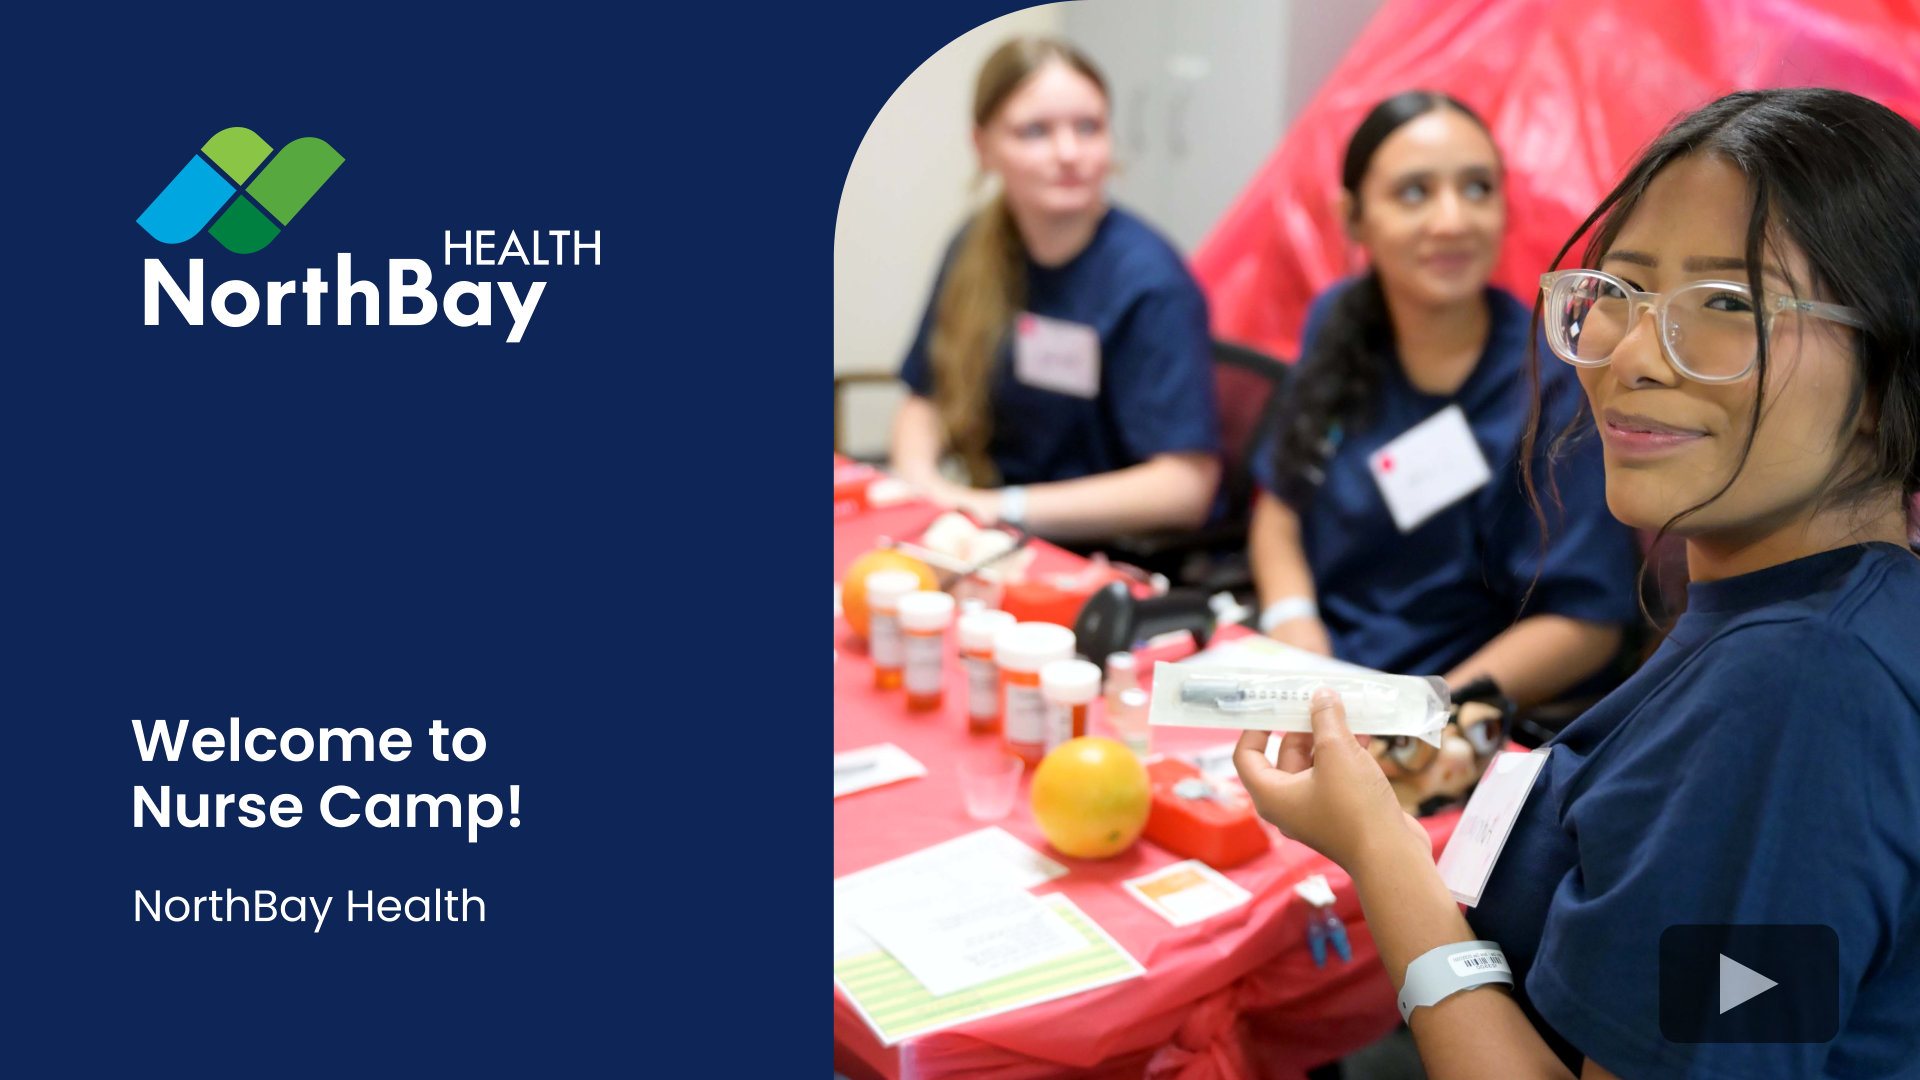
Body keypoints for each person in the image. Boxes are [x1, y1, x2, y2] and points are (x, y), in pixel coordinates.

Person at [1235, 87, 1920, 1079]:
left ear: (1887, 367)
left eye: (1727, 305)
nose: (1632, 356)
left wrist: (1378, 845)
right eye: (1622, 292)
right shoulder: (1790, 615)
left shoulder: (1802, 690)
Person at [1247, 91, 1639, 707]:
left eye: (1477, 188)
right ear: (1353, 218)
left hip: (1447, 709)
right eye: (1414, 192)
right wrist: (1293, 626)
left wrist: (1422, 714)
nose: (1453, 220)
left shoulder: (1555, 384)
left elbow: (1587, 623)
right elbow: (1279, 507)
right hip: (1319, 680)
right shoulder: (1340, 322)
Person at [889, 37, 1221, 543]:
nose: (1069, 154)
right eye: (1035, 132)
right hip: (991, 528)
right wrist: (920, 482)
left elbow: (1185, 487)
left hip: (1104, 550)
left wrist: (997, 508)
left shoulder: (1150, 283)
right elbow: (926, 395)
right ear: (982, 147)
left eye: (1088, 128)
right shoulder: (976, 245)